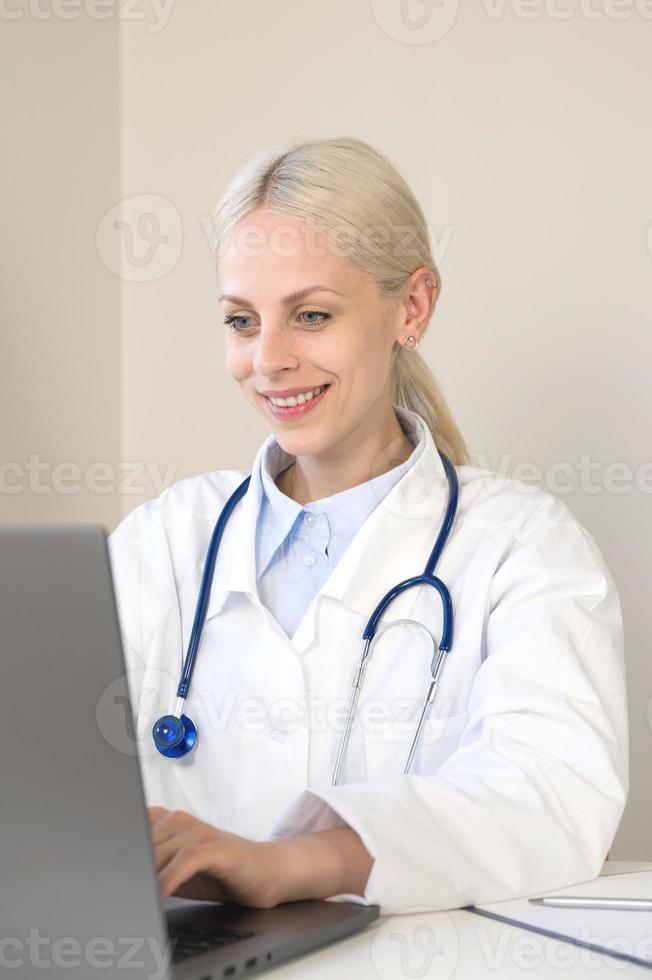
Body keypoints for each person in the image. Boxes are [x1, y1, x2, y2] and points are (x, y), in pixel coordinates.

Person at [107, 136, 628, 917]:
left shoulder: (522, 548)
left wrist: (305, 859)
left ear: (410, 308)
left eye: (311, 314)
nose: (269, 358)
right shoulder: (163, 542)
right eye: (241, 321)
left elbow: (554, 793)